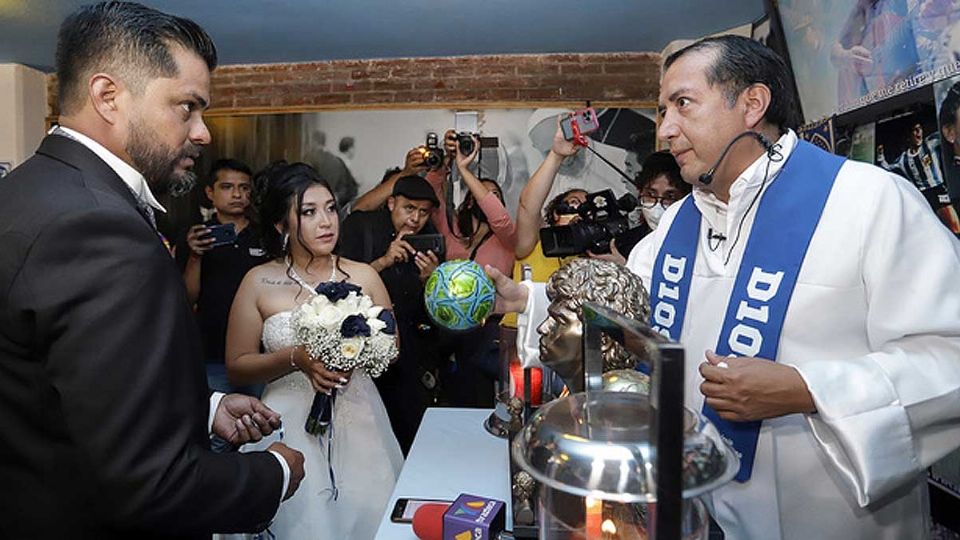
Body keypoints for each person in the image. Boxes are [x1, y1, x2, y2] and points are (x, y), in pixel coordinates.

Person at [491, 35, 960, 539]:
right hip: (702, 509)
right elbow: (631, 305)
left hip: (832, 517)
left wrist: (809, 390)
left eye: (683, 105)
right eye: (662, 110)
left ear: (752, 104)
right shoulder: (677, 223)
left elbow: (947, 353)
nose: (666, 130)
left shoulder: (869, 201)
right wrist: (528, 299)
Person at [0, 3, 304, 537]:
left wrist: (201, 407)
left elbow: (58, 382)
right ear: (108, 96)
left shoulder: (25, 192)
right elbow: (151, 486)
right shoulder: (98, 228)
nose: (203, 132)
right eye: (187, 107)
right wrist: (272, 474)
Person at [225, 162, 403, 539]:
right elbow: (237, 366)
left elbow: (393, 348)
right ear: (281, 225)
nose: (326, 222)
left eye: (330, 208)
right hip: (286, 424)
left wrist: (356, 352)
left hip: (360, 421)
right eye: (308, 212)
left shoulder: (364, 275)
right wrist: (296, 358)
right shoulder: (258, 281)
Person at [339, 175, 442, 454]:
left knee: (409, 433)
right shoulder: (362, 227)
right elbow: (338, 290)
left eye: (423, 212)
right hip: (360, 350)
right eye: (409, 209)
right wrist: (383, 261)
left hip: (409, 354)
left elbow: (435, 314)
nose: (416, 219)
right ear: (391, 203)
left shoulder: (430, 238)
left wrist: (430, 282)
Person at [177, 159, 268, 405]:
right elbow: (187, 299)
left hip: (261, 352)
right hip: (212, 351)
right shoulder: (197, 236)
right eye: (227, 187)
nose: (237, 194)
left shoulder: (265, 237)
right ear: (210, 192)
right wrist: (195, 256)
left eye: (244, 188)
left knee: (264, 425)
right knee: (217, 430)